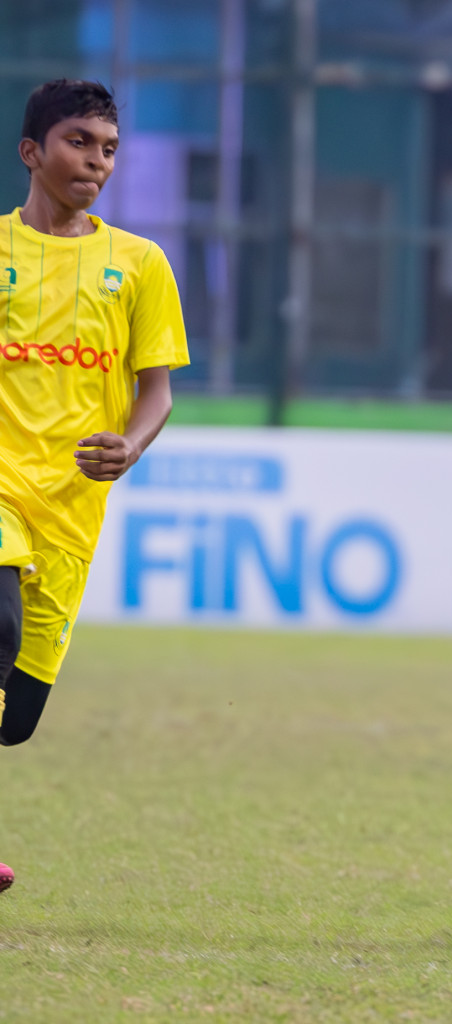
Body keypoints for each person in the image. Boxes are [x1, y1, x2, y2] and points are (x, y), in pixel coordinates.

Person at [0, 80, 189, 895]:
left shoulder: (139, 265)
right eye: (80, 142)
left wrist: (131, 446)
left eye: (109, 148)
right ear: (32, 151)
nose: (97, 162)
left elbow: (158, 393)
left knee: (18, 717)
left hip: (71, 516)